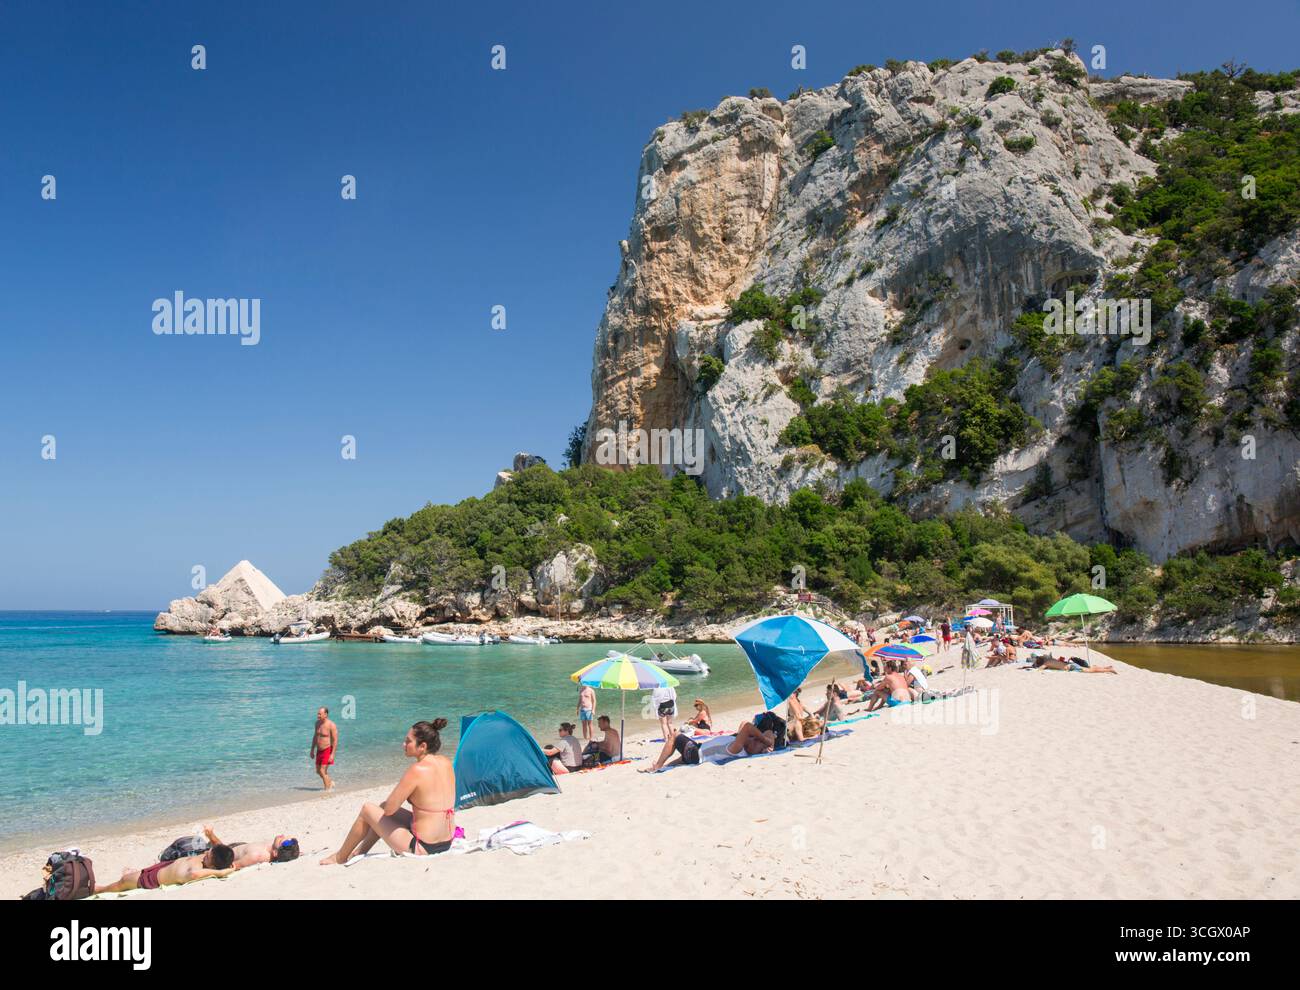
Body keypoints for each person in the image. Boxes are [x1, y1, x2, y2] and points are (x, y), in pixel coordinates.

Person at [320, 718, 456, 863]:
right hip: (446, 841)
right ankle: (360, 851)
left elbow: (390, 810)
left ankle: (340, 857)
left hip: (423, 847)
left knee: (367, 809)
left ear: (422, 746)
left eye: (408, 741)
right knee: (382, 805)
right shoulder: (446, 762)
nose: (403, 744)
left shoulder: (417, 770)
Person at [94, 844, 237, 894]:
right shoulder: (211, 861)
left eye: (208, 856)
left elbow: (193, 874)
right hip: (164, 866)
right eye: (208, 852)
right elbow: (223, 852)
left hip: (152, 879)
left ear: (213, 865)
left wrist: (222, 872)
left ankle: (99, 889)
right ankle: (133, 873)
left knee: (123, 882)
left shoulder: (197, 870)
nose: (205, 854)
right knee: (132, 875)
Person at [202, 826, 300, 869]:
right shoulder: (277, 848)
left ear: (275, 853)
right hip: (240, 847)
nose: (282, 835)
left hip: (224, 853)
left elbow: (227, 863)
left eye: (282, 840)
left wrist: (211, 835)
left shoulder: (256, 856)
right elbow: (290, 853)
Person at [310, 706, 338, 791]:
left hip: (327, 750)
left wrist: (332, 754)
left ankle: (327, 790)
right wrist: (312, 750)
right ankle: (330, 782)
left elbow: (335, 740)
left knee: (322, 770)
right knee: (318, 771)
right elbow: (315, 736)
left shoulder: (331, 725)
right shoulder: (317, 723)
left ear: (325, 714)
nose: (318, 715)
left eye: (320, 714)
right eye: (318, 714)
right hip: (319, 750)